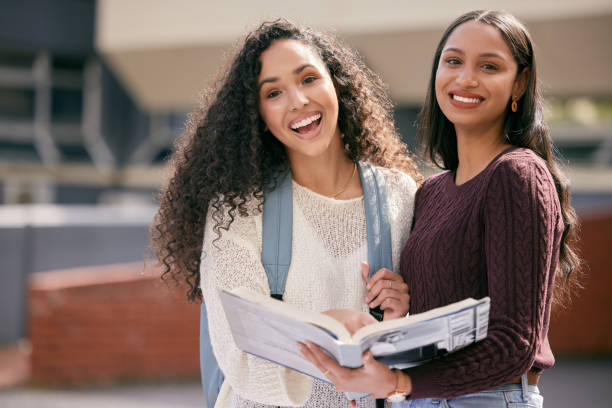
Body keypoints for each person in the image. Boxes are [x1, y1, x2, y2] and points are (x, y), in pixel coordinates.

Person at [300, 10, 581, 408]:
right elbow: (444, 321)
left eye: (489, 66)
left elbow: (514, 344)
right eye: (453, 61)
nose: (466, 78)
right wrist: (403, 306)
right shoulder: (432, 192)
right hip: (423, 399)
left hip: (485, 399)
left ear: (519, 83)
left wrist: (399, 382)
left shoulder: (517, 174)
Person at [151, 20, 421, 407]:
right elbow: (241, 356)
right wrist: (328, 327)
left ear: (337, 84)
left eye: (308, 79)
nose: (298, 101)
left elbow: (417, 360)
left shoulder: (400, 195)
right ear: (258, 116)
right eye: (274, 92)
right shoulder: (240, 209)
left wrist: (398, 318)